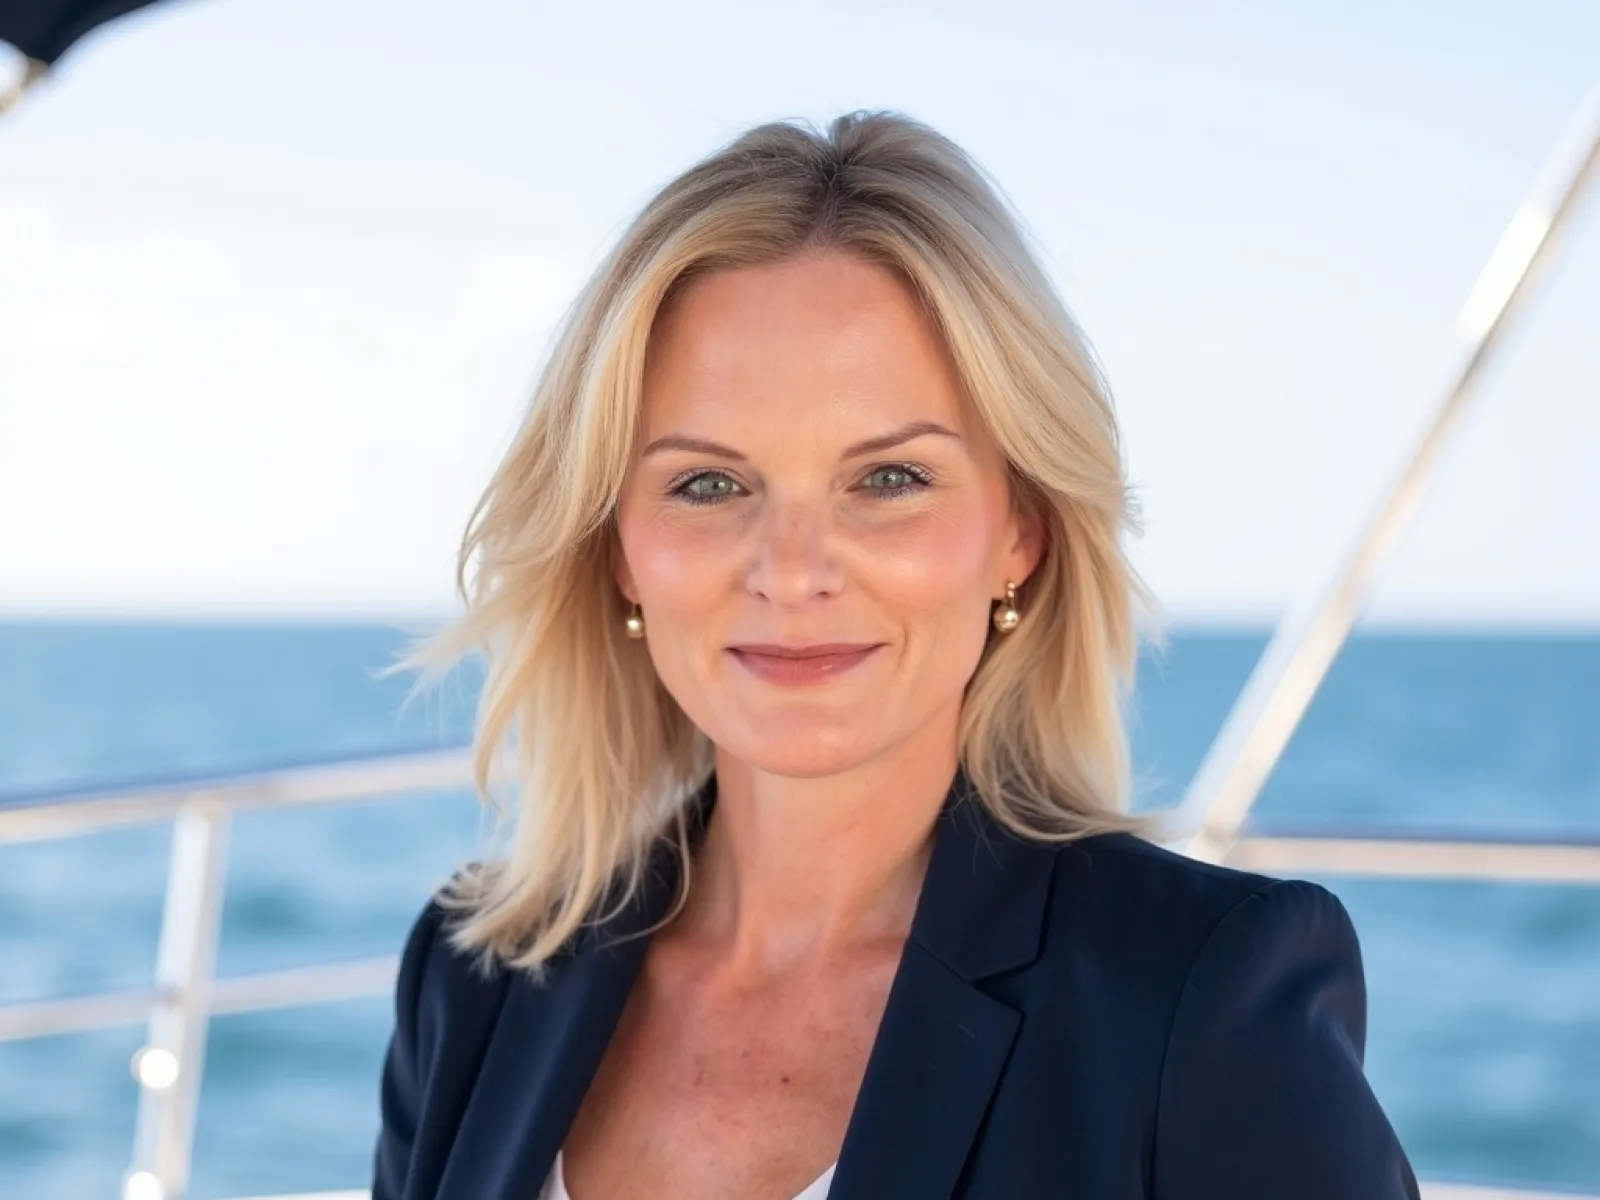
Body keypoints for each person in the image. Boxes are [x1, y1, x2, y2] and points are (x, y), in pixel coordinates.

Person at [371, 110, 1420, 1199]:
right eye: (708, 484)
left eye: (887, 480)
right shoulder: (474, 974)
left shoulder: (1197, 998)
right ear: (619, 550)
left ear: (1020, 530)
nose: (792, 570)